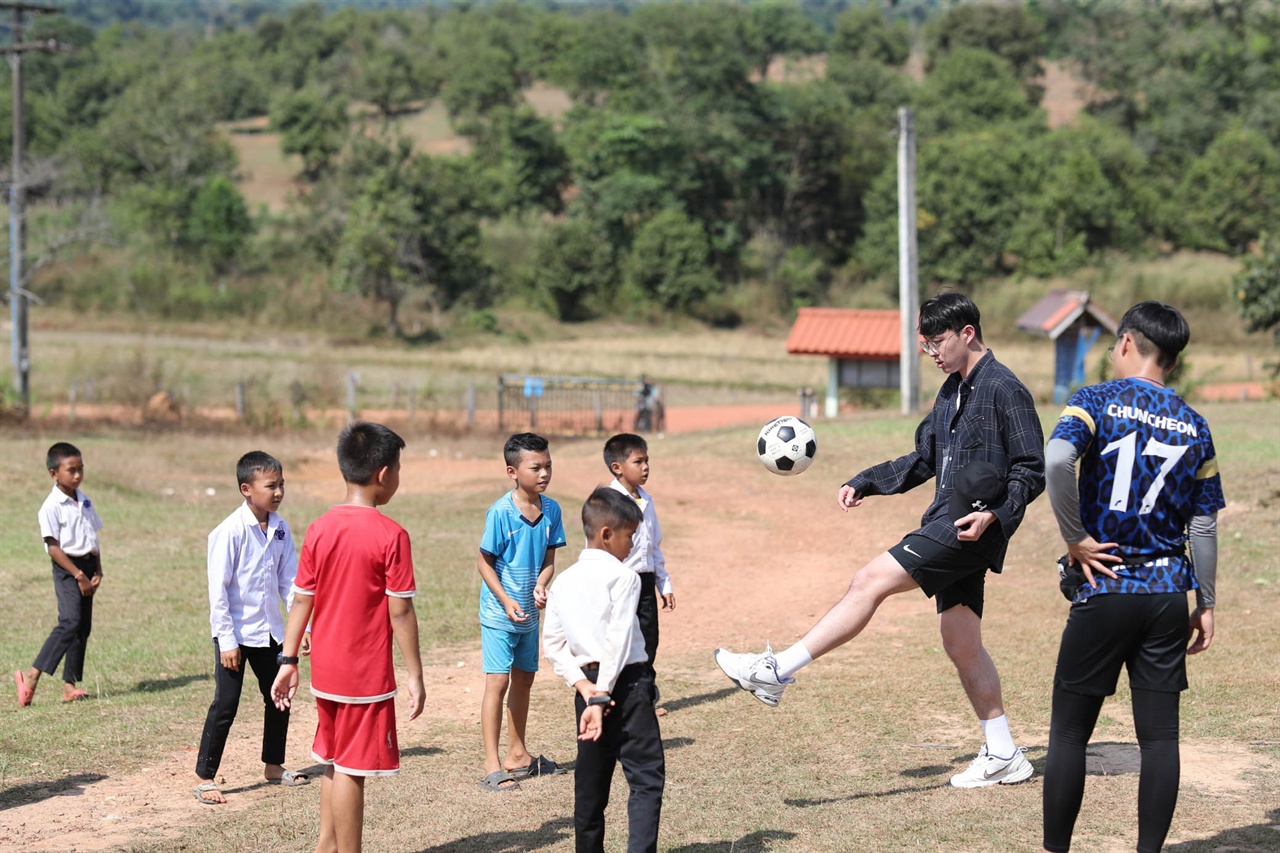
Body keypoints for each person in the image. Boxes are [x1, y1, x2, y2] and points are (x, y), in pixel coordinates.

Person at [714, 292, 1046, 788]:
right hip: (949, 520)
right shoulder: (951, 390)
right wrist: (865, 480)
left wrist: (995, 517)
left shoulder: (1004, 389)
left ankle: (775, 671)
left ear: (967, 334)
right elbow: (923, 458)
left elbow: (1030, 468)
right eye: (925, 344)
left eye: (937, 342)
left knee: (868, 580)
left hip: (968, 527)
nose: (930, 353)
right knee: (961, 643)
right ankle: (1004, 753)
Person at [1041, 302, 1224, 853]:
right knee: (1160, 738)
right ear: (1170, 358)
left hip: (1107, 586)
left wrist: (1075, 538)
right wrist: (1206, 600)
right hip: (1168, 593)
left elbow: (1055, 461)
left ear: (1125, 343)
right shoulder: (1196, 424)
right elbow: (1204, 520)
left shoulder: (1095, 400)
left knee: (1071, 734)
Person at [270, 422, 424, 853]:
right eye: (398, 468)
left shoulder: (320, 527)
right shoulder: (391, 535)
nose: (398, 477)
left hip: (327, 670)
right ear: (382, 474)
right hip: (364, 674)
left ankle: (325, 846)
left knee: (333, 761)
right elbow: (401, 610)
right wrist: (415, 674)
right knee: (353, 769)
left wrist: (288, 661)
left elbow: (301, 601)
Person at [544, 487, 665, 853]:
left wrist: (584, 687)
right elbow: (619, 640)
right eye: (630, 535)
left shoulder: (563, 581)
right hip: (625, 687)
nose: (633, 544)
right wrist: (602, 693)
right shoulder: (625, 578)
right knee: (645, 777)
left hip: (588, 691)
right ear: (607, 534)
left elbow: (553, 644)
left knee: (591, 785)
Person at [193, 451, 310, 805]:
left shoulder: (280, 527)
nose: (278, 492)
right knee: (225, 704)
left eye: (281, 485)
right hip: (236, 635)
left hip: (271, 632)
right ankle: (205, 777)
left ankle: (273, 766)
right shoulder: (228, 531)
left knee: (279, 697)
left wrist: (299, 626)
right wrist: (227, 641)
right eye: (270, 486)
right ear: (246, 489)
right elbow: (219, 592)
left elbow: (290, 582)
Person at [476, 432, 567, 791]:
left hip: (530, 613)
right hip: (500, 614)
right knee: (497, 682)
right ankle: (491, 765)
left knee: (524, 680)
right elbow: (484, 563)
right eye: (536, 467)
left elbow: (549, 561)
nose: (544, 473)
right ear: (512, 471)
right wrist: (505, 599)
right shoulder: (500, 513)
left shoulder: (552, 511)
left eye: (548, 466)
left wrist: (541, 585)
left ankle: (518, 755)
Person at [16, 442, 105, 707]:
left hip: (87, 568)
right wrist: (78, 575)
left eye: (80, 469)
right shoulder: (51, 506)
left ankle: (70, 685)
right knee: (69, 621)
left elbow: (93, 536)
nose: (77, 475)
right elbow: (53, 548)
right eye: (71, 470)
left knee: (82, 628)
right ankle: (31, 675)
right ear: (54, 474)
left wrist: (97, 569)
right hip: (69, 569)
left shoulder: (84, 499)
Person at [604, 433, 674, 714]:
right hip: (619, 583)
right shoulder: (608, 502)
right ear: (617, 467)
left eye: (647, 461)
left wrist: (664, 584)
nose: (645, 467)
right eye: (638, 461)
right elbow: (599, 548)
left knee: (648, 639)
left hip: (644, 582)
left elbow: (654, 546)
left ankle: (644, 698)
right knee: (620, 639)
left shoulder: (647, 500)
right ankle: (616, 696)